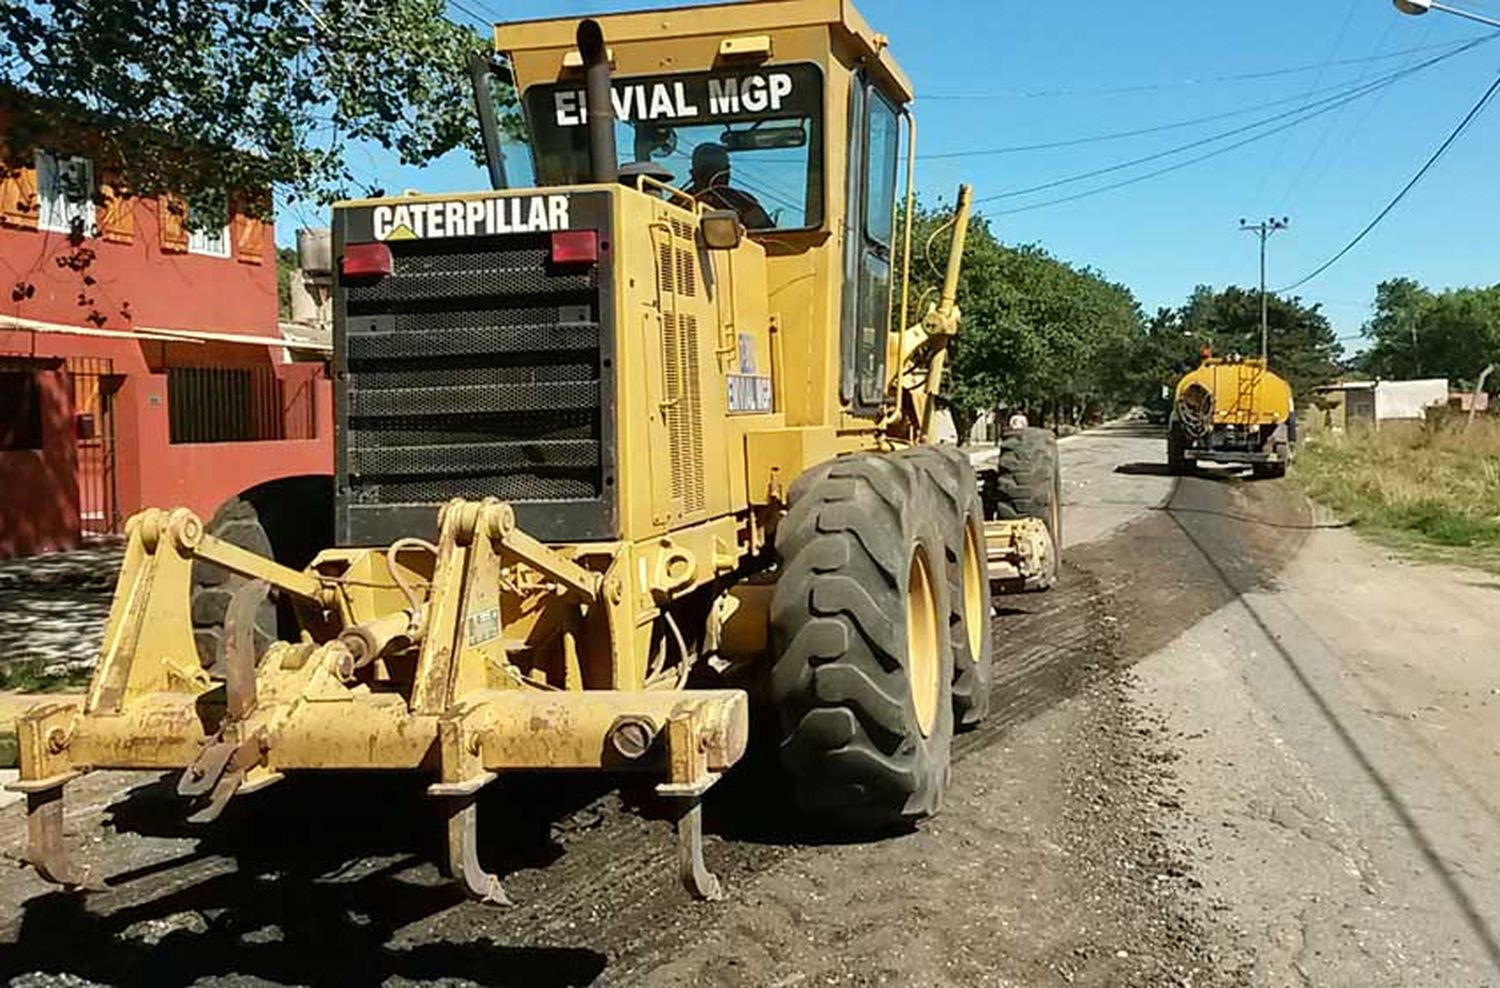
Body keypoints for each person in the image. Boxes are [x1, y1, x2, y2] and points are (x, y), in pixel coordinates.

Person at [684, 143, 772, 230]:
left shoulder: (680, 199)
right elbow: (769, 236)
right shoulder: (742, 202)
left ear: (693, 173)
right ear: (727, 173)